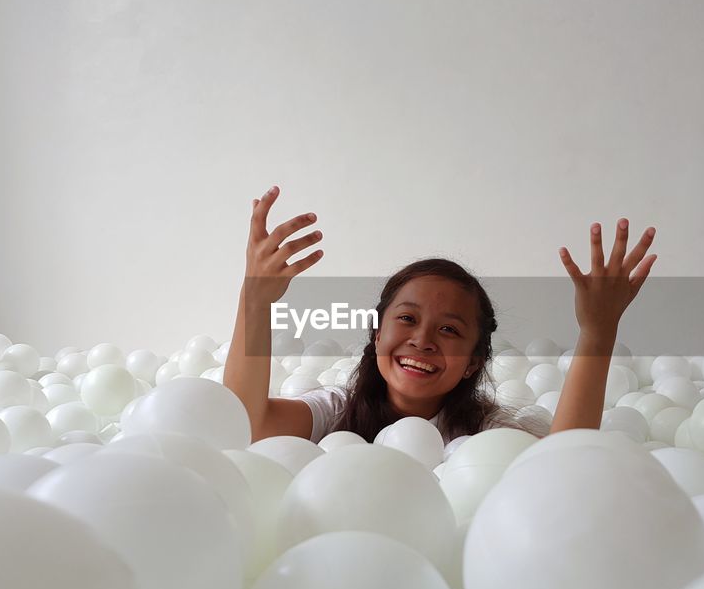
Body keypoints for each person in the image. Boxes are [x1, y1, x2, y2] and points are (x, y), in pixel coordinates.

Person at [223, 185, 657, 445]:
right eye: (407, 319)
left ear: (472, 362)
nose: (422, 340)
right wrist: (255, 300)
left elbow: (558, 469)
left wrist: (598, 333)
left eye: (449, 329)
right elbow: (245, 424)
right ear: (376, 335)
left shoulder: (486, 431)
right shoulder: (337, 411)